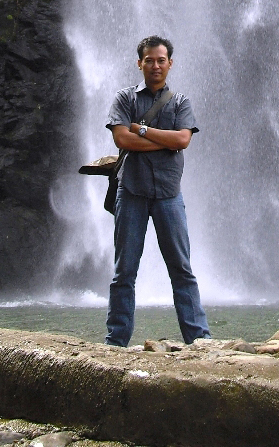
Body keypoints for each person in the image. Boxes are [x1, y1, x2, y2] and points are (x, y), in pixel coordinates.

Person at [105, 35, 211, 347]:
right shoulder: (125, 98)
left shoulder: (180, 102)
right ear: (139, 63)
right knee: (124, 270)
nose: (155, 65)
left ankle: (199, 338)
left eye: (161, 60)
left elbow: (182, 141)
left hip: (168, 194)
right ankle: (117, 340)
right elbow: (121, 140)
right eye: (149, 60)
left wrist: (141, 129)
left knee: (181, 269)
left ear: (170, 64)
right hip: (132, 192)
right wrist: (161, 139)